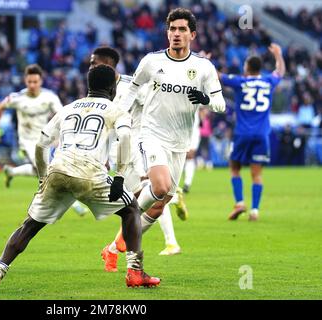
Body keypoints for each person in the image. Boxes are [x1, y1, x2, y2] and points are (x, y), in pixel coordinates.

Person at [0, 65, 160, 292]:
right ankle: (135, 272)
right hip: (89, 173)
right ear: (112, 89)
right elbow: (124, 137)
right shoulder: (116, 110)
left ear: (88, 86)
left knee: (30, 225)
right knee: (131, 209)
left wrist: (43, 176)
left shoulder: (69, 107)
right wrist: (120, 177)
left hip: (58, 170)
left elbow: (42, 143)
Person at [102, 7, 226, 265]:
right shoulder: (151, 61)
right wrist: (117, 116)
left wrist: (206, 100)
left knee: (161, 204)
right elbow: (131, 91)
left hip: (180, 142)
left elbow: (221, 103)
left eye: (182, 29)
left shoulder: (203, 67)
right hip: (151, 134)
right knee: (159, 187)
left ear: (192, 34)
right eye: (172, 29)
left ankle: (117, 245)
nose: (176, 34)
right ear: (167, 32)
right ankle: (130, 214)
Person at [90, 46, 187, 263]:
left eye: (93, 63)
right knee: (137, 204)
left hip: (141, 146)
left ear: (106, 63)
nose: (90, 67)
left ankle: (170, 241)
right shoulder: (97, 91)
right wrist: (103, 156)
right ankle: (115, 248)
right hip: (119, 153)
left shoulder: (131, 84)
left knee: (154, 196)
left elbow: (156, 105)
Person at [0, 64, 88, 215]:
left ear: (41, 81)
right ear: (25, 81)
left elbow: (62, 115)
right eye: (29, 82)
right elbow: (0, 107)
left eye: (35, 82)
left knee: (41, 171)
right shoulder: (17, 97)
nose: (32, 85)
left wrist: (64, 135)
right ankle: (74, 205)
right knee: (49, 171)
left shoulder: (49, 97)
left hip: (44, 140)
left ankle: (12, 172)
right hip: (27, 142)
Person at [221, 43, 285, 221]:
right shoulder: (268, 81)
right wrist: (278, 55)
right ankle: (255, 210)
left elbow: (218, 76)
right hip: (262, 134)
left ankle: (240, 202)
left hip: (242, 133)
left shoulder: (240, 81)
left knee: (235, 168)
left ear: (247, 68)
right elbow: (280, 72)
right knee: (257, 174)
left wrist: (203, 60)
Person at [182, 108, 201, 193]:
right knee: (179, 156)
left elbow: (204, 107)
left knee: (190, 156)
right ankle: (173, 185)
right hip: (178, 129)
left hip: (193, 130)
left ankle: (187, 183)